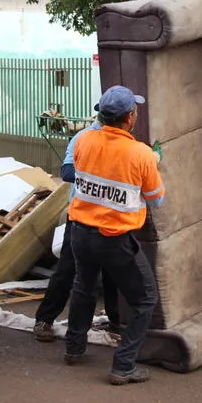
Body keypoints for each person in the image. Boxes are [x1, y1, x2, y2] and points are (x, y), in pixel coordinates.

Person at [64, 86, 165, 386]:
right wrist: (153, 162)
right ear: (130, 118)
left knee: (83, 288)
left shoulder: (83, 141)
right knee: (145, 299)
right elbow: (156, 198)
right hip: (114, 239)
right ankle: (123, 366)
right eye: (135, 111)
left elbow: (93, 171)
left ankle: (74, 348)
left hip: (80, 233)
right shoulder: (140, 154)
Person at [32, 116, 122, 343]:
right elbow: (67, 172)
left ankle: (116, 321)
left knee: (113, 273)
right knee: (67, 270)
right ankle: (45, 319)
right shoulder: (84, 138)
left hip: (111, 217)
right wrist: (102, 172)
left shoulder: (123, 142)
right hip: (82, 216)